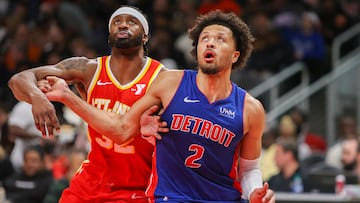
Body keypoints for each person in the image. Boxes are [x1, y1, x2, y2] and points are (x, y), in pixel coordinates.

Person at [40, 10, 275, 203]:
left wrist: (254, 191)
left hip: (224, 198)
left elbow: (250, 168)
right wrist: (68, 97)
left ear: (235, 55)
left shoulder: (250, 108)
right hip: (170, 197)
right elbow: (122, 128)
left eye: (220, 39)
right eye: (204, 38)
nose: (210, 43)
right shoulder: (169, 83)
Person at [8, 6, 166, 202]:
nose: (123, 24)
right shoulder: (89, 69)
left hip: (136, 186)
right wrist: (36, 97)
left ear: (145, 37)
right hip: (90, 182)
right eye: (117, 22)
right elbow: (19, 79)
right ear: (109, 35)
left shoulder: (161, 77)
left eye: (132, 22)